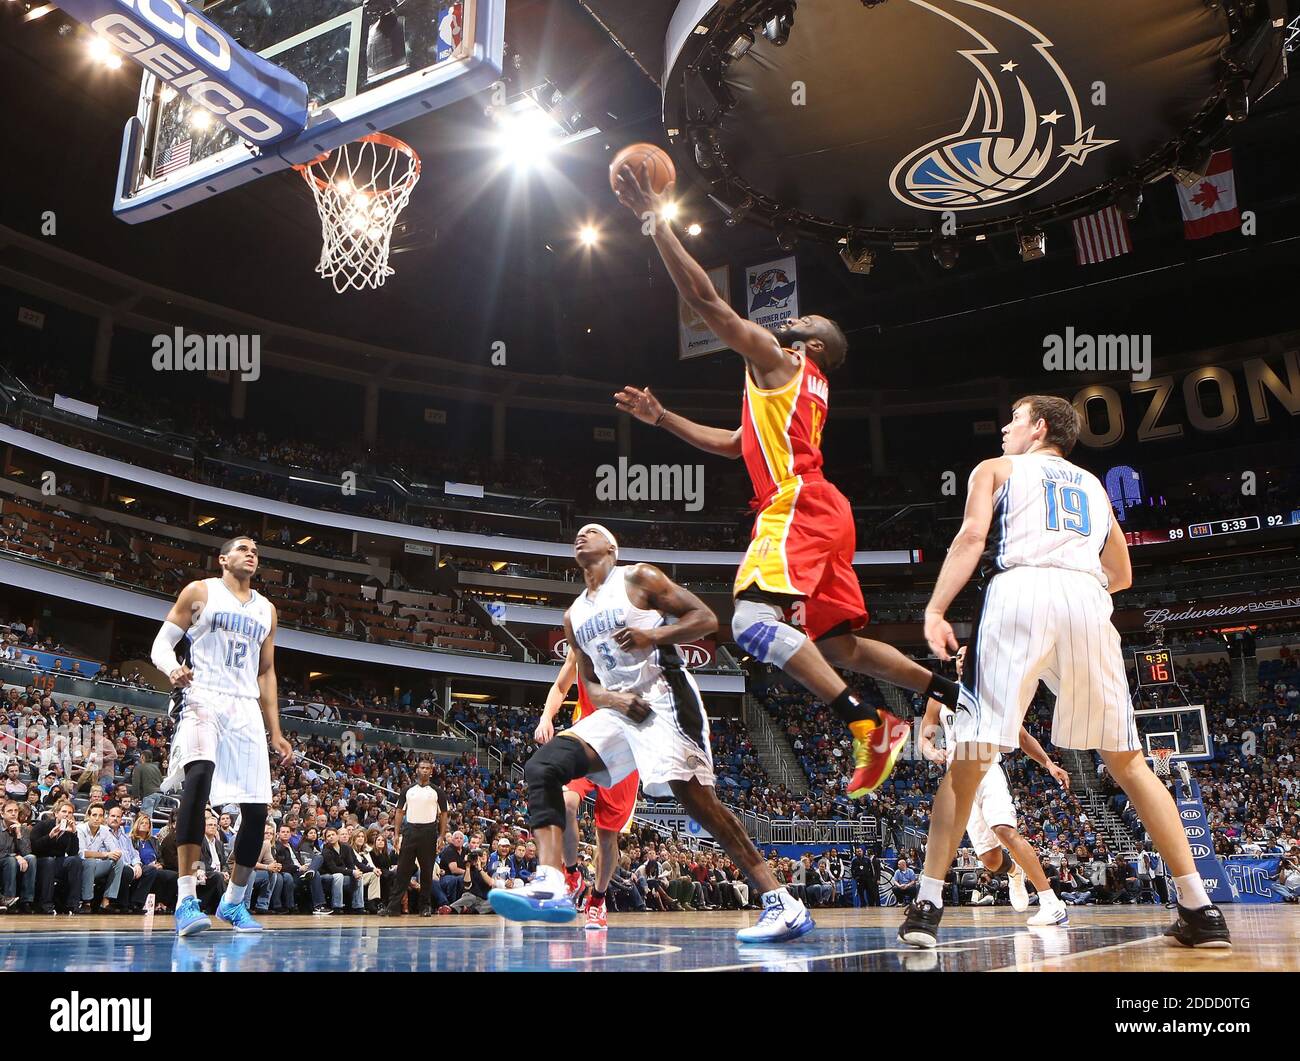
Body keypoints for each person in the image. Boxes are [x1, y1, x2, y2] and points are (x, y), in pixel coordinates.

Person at [612, 163, 963, 802]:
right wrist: (662, 419)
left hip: (796, 502)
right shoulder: (791, 393)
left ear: (813, 346)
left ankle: (868, 721)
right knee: (840, 645)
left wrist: (653, 219)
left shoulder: (780, 361)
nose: (790, 320)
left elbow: (706, 303)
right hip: (824, 506)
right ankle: (940, 689)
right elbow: (733, 445)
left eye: (803, 321)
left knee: (748, 623)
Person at [901, 396, 1230, 949]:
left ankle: (928, 905)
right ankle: (1200, 908)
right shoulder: (1095, 487)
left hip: (1020, 590)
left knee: (973, 756)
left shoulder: (996, 469)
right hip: (1086, 599)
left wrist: (935, 609)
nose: (1005, 428)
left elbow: (971, 539)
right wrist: (1074, 580)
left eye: (1014, 419)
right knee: (1127, 761)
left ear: (1040, 427)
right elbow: (1120, 573)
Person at [491, 525, 813, 943]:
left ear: (612, 547)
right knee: (543, 767)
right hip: (619, 710)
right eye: (578, 532)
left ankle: (781, 902)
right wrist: (614, 701)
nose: (581, 535)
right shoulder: (574, 616)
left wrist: (653, 634)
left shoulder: (637, 578)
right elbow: (589, 686)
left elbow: (706, 619)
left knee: (698, 801)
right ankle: (553, 881)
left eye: (592, 531)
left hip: (664, 697)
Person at [152, 536, 293, 937]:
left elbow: (266, 671)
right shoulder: (201, 592)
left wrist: (276, 731)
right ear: (223, 558)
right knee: (198, 779)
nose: (251, 554)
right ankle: (185, 900)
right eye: (243, 548)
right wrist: (172, 669)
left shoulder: (267, 609)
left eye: (256, 552)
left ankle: (233, 902)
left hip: (244, 705)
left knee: (257, 809)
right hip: (202, 695)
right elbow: (161, 645)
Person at [917, 645, 1071, 926]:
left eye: (968, 656)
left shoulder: (993, 697)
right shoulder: (940, 694)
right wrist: (930, 750)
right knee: (989, 859)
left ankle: (1052, 902)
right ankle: (1014, 871)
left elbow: (1021, 736)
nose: (962, 660)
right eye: (959, 657)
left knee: (1005, 830)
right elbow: (926, 734)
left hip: (986, 768)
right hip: (958, 778)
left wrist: (1048, 763)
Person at [535, 647, 640, 931]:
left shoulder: (634, 645)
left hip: (623, 749)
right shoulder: (581, 643)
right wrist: (547, 717)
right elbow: (560, 685)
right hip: (587, 739)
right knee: (566, 801)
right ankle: (571, 874)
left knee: (606, 836)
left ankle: (598, 899)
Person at [381, 759, 449, 917]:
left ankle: (425, 907)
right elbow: (399, 811)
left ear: (431, 771)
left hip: (429, 831)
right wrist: (397, 834)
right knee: (403, 871)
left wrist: (441, 835)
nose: (425, 770)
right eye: (422, 767)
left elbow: (444, 814)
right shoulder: (407, 790)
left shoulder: (437, 791)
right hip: (410, 830)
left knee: (426, 872)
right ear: (417, 770)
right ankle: (393, 907)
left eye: (428, 768)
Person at [31, 799, 84, 914]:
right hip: (40, 860)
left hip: (57, 862)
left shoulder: (69, 829)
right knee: (49, 861)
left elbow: (72, 853)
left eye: (70, 813)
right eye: (64, 811)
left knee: (75, 861)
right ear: (56, 813)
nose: (67, 815)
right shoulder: (43, 825)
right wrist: (49, 837)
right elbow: (34, 847)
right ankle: (46, 904)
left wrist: (73, 834)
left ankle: (73, 904)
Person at [78, 802, 126, 912]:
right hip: (80, 866)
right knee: (90, 862)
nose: (97, 818)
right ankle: (87, 902)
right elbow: (82, 853)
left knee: (118, 860)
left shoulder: (104, 830)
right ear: (88, 816)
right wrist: (105, 854)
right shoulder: (80, 829)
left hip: (96, 865)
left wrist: (116, 853)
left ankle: (106, 901)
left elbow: (113, 849)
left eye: (100, 816)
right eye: (94, 815)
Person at [0, 798, 36, 911]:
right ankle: (9, 899)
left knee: (31, 858)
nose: (14, 813)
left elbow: (27, 852)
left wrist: (19, 834)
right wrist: (16, 856)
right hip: (3, 860)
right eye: (10, 811)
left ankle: (26, 901)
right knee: (10, 861)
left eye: (16, 811)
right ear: (2, 813)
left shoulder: (23, 828)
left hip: (17, 861)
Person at [450, 847, 495, 915]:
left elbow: (490, 883)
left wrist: (480, 869)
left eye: (484, 854)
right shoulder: (471, 870)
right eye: (479, 855)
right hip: (470, 897)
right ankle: (450, 908)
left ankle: (468, 909)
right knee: (469, 897)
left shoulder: (491, 870)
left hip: (484, 900)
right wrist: (467, 868)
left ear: (488, 857)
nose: (482, 856)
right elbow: (467, 886)